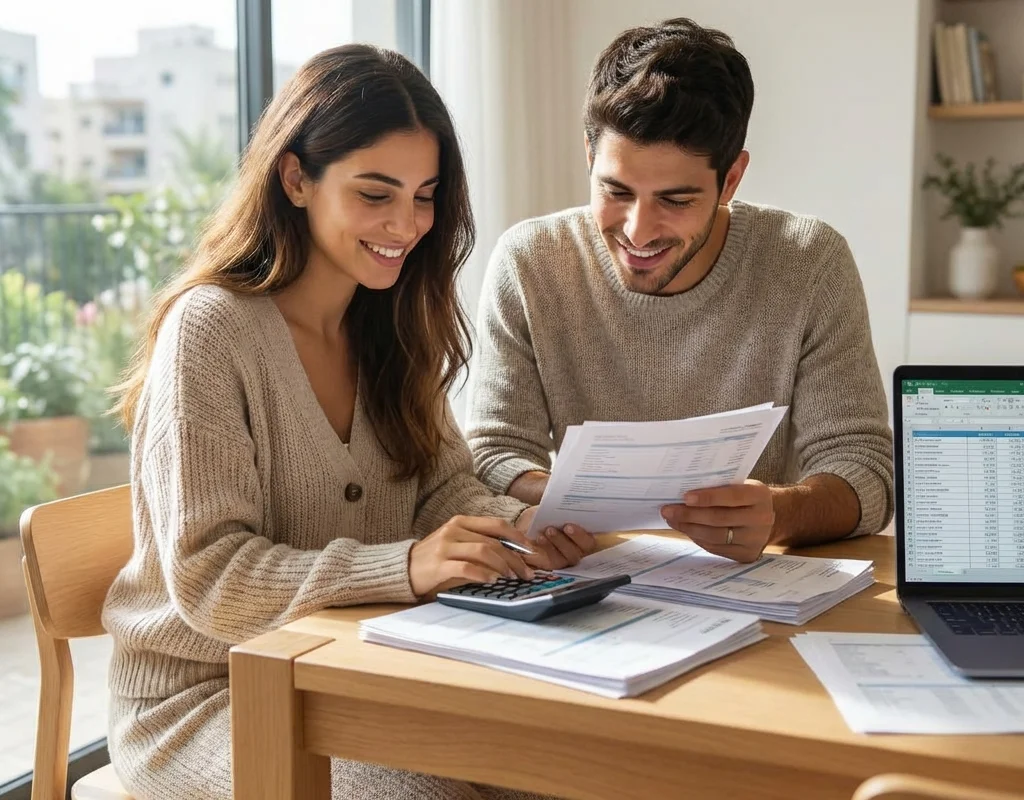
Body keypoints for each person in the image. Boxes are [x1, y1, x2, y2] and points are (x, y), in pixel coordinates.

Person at [102, 45, 590, 800]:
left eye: (425, 195)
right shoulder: (211, 331)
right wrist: (405, 568)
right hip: (206, 698)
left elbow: (440, 491)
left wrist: (522, 526)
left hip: (354, 666)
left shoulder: (391, 322)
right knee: (430, 795)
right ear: (296, 178)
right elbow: (209, 576)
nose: (407, 224)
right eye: (375, 193)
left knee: (558, 764)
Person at [466, 18, 894, 565]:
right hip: (592, 574)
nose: (638, 231)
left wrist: (780, 512)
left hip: (751, 582)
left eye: (675, 200)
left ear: (731, 179)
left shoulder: (809, 262)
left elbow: (865, 471)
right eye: (616, 191)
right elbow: (493, 454)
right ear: (589, 156)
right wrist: (573, 503)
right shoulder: (530, 262)